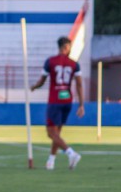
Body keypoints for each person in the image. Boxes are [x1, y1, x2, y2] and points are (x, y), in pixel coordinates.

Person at [30, 36, 85, 170]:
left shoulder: (50, 62)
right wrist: (81, 104)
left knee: (50, 133)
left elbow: (42, 81)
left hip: (55, 100)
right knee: (57, 134)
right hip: (67, 100)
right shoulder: (74, 64)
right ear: (65, 47)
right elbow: (79, 85)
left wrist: (34, 87)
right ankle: (51, 161)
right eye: (69, 47)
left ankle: (71, 153)